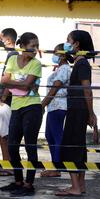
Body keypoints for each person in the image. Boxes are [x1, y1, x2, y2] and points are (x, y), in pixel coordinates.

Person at [0, 32, 43, 197]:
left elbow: (26, 85)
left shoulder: (36, 64)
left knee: (30, 145)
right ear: (23, 46)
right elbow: (4, 81)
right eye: (32, 46)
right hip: (16, 106)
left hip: (32, 107)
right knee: (12, 145)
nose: (35, 49)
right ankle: (18, 181)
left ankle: (29, 184)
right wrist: (19, 84)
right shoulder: (12, 59)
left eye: (37, 46)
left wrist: (14, 83)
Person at [55, 30, 97, 196]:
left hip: (77, 110)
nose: (66, 43)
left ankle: (76, 187)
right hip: (78, 109)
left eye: (68, 40)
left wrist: (91, 113)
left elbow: (87, 90)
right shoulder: (79, 63)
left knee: (71, 147)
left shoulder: (82, 64)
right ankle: (80, 185)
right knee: (79, 147)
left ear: (77, 44)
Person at [40, 43, 71, 178]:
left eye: (56, 53)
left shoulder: (64, 69)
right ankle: (55, 165)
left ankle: (57, 167)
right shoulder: (59, 69)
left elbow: (55, 88)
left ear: (63, 55)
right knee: (50, 135)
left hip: (59, 105)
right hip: (53, 106)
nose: (54, 55)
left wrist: (42, 104)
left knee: (57, 136)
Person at [0, 28, 18, 177]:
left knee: (4, 135)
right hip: (9, 101)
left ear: (8, 40)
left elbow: (10, 79)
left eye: (1, 38)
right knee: (6, 134)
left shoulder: (12, 55)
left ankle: (8, 165)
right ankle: (9, 163)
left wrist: (3, 99)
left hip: (7, 101)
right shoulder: (13, 55)